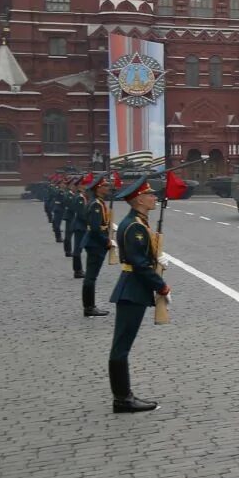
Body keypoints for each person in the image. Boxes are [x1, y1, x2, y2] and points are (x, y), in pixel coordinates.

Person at [107, 178, 167, 413]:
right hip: (132, 290)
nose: (154, 198)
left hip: (132, 288)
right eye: (150, 195)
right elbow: (139, 264)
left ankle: (122, 396)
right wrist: (160, 285)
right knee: (121, 346)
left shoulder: (138, 222)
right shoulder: (135, 226)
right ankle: (122, 398)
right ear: (139, 199)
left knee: (122, 344)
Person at [79, 173, 117, 317]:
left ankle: (89, 306)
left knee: (91, 276)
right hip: (95, 244)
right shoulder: (96, 204)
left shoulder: (98, 202)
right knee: (91, 277)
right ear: (98, 188)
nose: (108, 187)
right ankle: (89, 307)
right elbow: (95, 228)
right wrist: (106, 240)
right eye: (105, 185)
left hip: (94, 243)